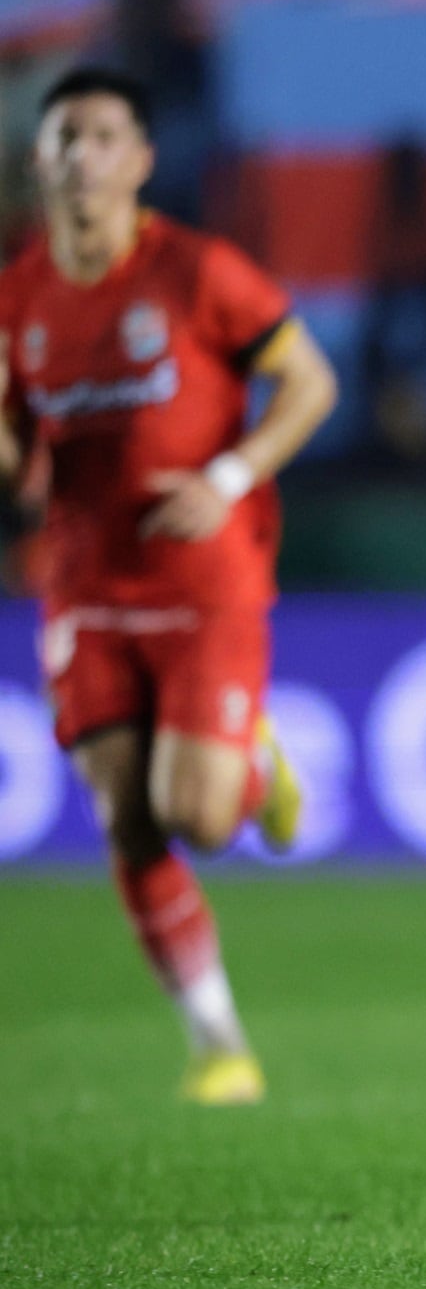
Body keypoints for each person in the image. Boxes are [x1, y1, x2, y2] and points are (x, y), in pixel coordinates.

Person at [0, 67, 338, 1104]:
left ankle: (253, 763)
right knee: (125, 820)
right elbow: (21, 470)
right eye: (65, 136)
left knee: (193, 816)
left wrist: (229, 474)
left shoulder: (195, 271)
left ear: (141, 160)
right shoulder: (18, 298)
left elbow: (311, 381)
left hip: (206, 576)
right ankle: (218, 1042)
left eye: (104, 135)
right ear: (39, 158)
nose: (81, 154)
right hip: (88, 580)